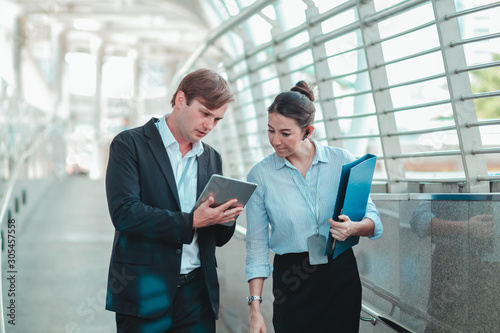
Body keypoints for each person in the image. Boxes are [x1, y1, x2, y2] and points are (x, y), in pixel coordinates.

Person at [105, 68, 244, 333]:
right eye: (205, 113)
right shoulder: (129, 144)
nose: (209, 126)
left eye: (217, 120)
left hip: (197, 297)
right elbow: (125, 213)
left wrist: (226, 217)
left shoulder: (211, 157)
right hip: (145, 291)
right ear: (181, 100)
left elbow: (217, 238)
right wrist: (192, 221)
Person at [245, 81, 383, 333]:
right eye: (270, 130)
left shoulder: (342, 160)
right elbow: (256, 246)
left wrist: (352, 228)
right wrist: (255, 309)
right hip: (292, 280)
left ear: (308, 131)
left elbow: (374, 221)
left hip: (339, 274)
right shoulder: (260, 175)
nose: (275, 141)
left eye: (285, 133)